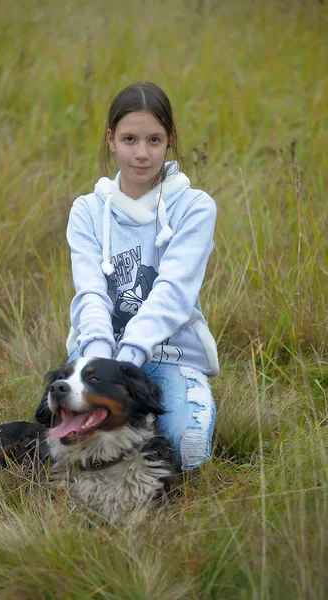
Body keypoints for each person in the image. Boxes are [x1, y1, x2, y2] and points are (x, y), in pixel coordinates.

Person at [65, 82, 219, 472]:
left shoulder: (195, 207)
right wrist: (103, 363)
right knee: (70, 447)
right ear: (111, 141)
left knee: (189, 448)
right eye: (129, 139)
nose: (141, 153)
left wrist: (130, 364)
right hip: (99, 358)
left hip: (171, 357)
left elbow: (172, 294)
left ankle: (185, 399)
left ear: (170, 141)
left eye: (154, 139)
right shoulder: (86, 211)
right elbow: (91, 293)